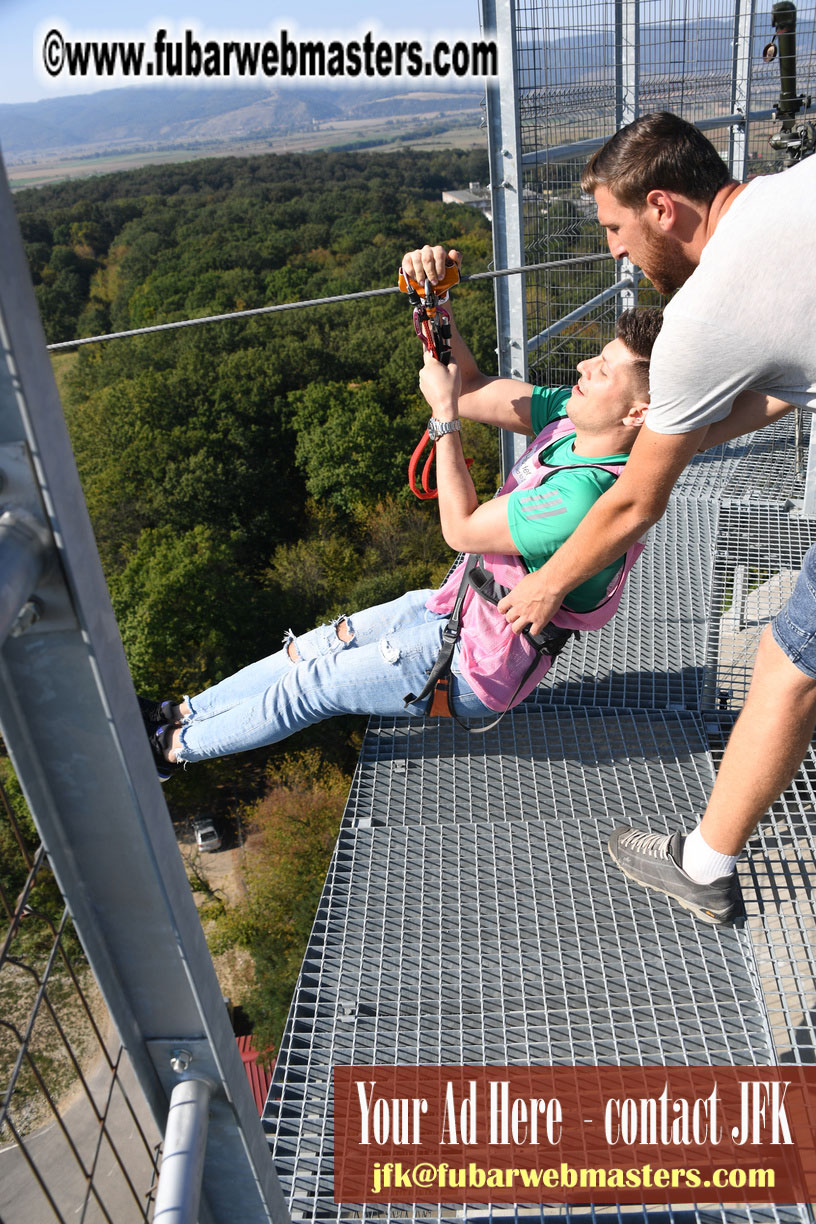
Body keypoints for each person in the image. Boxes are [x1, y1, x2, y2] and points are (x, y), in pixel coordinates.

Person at [142, 251, 663, 780]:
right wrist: (436, 301)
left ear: (637, 412)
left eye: (602, 370)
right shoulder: (574, 423)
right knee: (318, 646)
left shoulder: (580, 496)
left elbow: (460, 530)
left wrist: (444, 419)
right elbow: (473, 386)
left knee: (313, 685)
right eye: (595, 356)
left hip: (476, 665)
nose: (582, 366)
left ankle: (168, 751)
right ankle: (178, 712)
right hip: (458, 607)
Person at [493, 111, 816, 925]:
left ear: (664, 207)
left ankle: (703, 866)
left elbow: (637, 498)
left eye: (615, 226)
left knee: (792, 667)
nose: (613, 252)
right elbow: (784, 385)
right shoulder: (799, 188)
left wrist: (549, 586)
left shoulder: (704, 318)